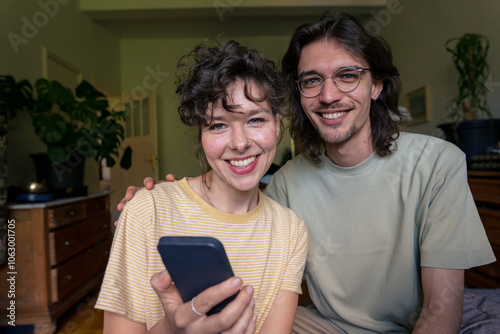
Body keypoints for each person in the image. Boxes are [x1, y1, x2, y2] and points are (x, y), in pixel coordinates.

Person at [118, 12, 496, 334]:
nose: (328, 95)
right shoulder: (285, 184)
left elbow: (441, 310)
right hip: (322, 325)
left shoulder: (439, 164)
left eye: (347, 75)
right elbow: (235, 226)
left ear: (376, 86)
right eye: (312, 80)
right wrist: (164, 203)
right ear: (299, 94)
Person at [96, 39, 308, 333]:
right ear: (200, 133)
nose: (240, 142)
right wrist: (172, 329)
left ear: (276, 124)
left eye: (255, 119)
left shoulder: (290, 230)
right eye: (218, 125)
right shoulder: (146, 210)